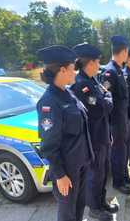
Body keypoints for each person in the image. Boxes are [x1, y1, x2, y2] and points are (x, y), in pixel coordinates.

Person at [36, 45, 95, 221]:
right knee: (67, 213)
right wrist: (60, 175)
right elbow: (48, 145)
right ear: (62, 70)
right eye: (72, 69)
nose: (75, 73)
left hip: (81, 162)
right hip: (67, 170)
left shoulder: (68, 93)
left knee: (79, 206)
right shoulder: (49, 102)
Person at [71, 43, 118, 221]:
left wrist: (105, 99)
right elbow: (100, 109)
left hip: (103, 135)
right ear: (90, 63)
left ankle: (102, 201)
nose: (100, 65)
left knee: (104, 172)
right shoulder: (81, 85)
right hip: (94, 139)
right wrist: (107, 98)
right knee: (95, 175)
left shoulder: (93, 80)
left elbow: (104, 103)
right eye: (98, 62)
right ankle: (94, 208)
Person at [101, 35, 130, 195]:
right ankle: (118, 182)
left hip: (124, 118)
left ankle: (124, 175)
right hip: (116, 121)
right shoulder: (110, 72)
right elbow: (105, 95)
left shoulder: (119, 70)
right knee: (118, 150)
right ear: (123, 51)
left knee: (125, 148)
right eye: (127, 51)